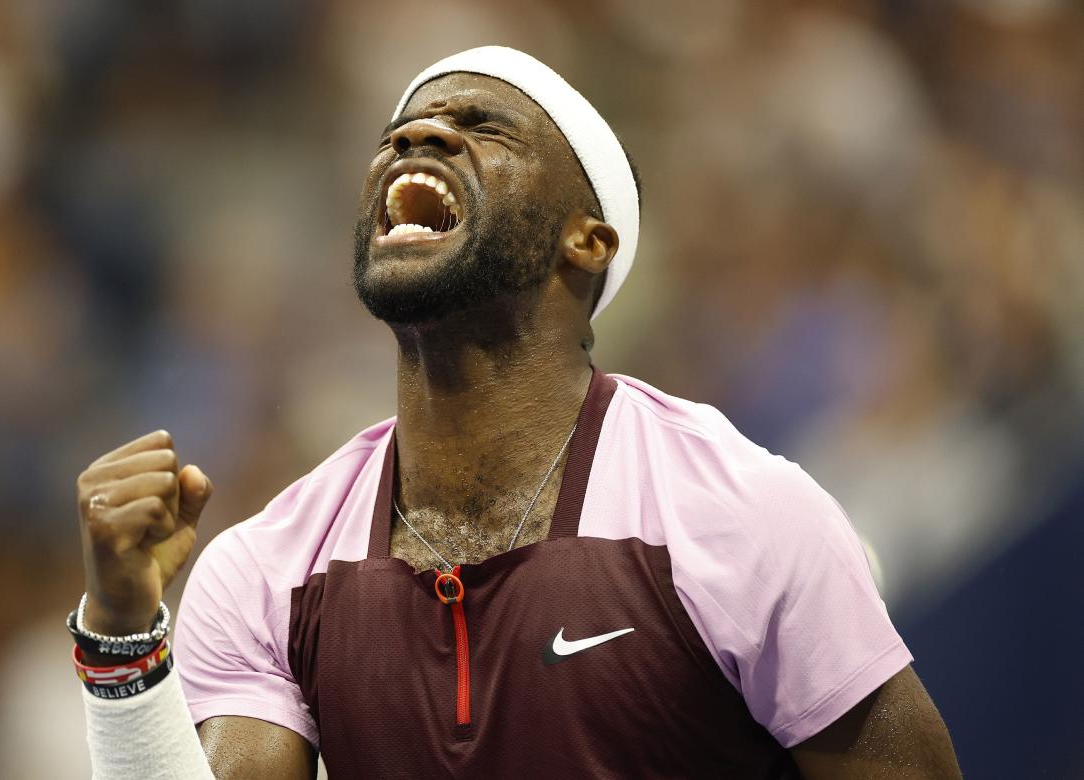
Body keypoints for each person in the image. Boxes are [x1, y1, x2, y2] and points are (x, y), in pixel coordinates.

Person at [69, 46, 962, 778]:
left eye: (480, 127)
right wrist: (119, 633)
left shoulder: (744, 514)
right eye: (401, 131)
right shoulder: (267, 569)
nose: (417, 133)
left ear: (588, 239)